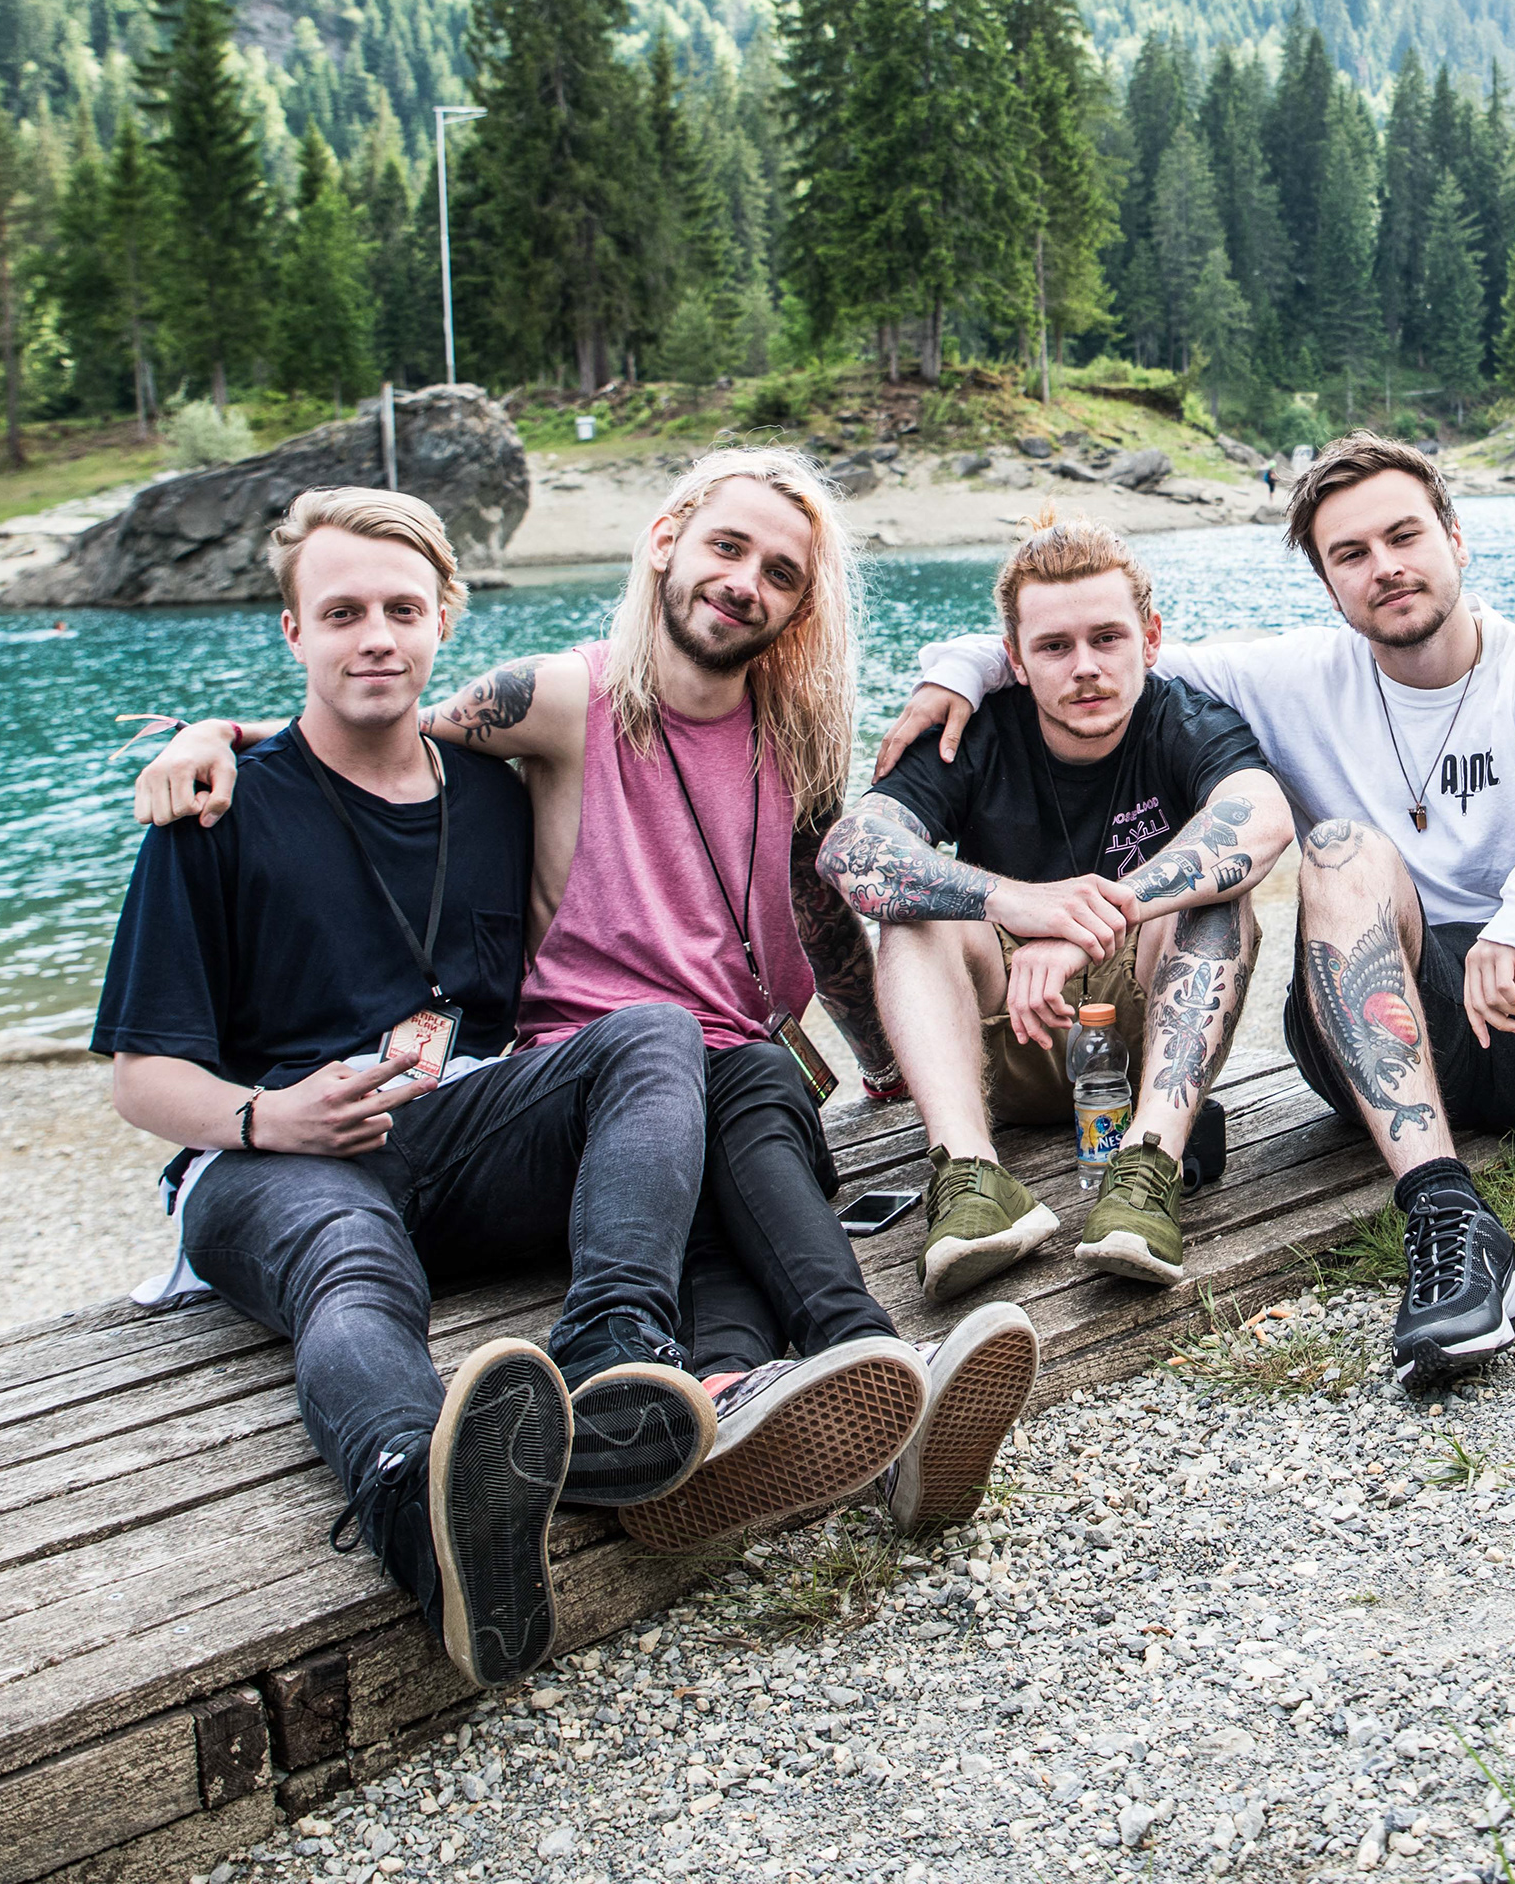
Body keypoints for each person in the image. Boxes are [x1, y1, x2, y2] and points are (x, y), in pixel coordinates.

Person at [129, 449, 1034, 1546]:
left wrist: (883, 1066)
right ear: (666, 542)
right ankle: (610, 1386)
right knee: (666, 1074)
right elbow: (373, 722)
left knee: (738, 1093)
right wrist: (220, 737)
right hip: (556, 1082)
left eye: (781, 572)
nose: (745, 581)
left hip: (655, 1086)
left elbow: (819, 908)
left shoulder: (776, 740)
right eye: (727, 547)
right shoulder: (560, 699)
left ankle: (808, 1383)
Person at [882, 432, 1515, 1390]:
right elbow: (1100, 653)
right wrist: (958, 666)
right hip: (1388, 1040)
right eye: (1350, 553)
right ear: (1327, 582)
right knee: (1339, 846)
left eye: (1404, 535)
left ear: (1455, 537)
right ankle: (1445, 1215)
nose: (1384, 566)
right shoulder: (1295, 678)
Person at [94, 487, 716, 1688]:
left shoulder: (490, 790)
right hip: (273, 1157)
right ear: (293, 632)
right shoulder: (216, 809)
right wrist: (269, 1116)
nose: (373, 636)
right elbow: (141, 1078)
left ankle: (612, 1362)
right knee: (350, 1264)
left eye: (400, 609)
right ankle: (422, 1509)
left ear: (444, 620)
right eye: (341, 613)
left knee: (654, 1035)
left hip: (456, 1127)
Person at [817, 513, 1291, 1296]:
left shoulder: (1184, 718)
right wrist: (1017, 902)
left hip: (1140, 1045)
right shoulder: (973, 734)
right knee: (910, 912)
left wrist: (1093, 919)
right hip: (1005, 1033)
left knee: (1219, 898)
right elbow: (853, 848)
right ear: (1014, 658)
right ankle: (969, 1177)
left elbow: (1263, 818)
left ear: (1149, 637)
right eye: (1054, 647)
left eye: (1107, 638)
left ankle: (1148, 1169)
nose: (1086, 668)